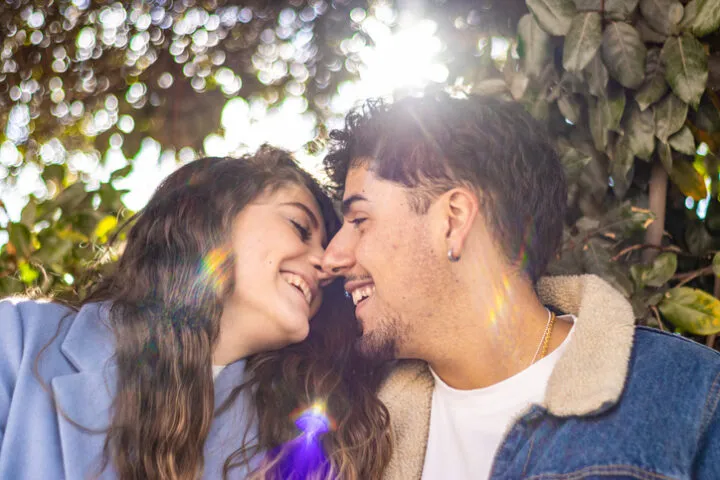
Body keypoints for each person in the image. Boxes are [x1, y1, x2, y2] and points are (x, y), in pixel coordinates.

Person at [321, 94, 720, 479]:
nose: (332, 256)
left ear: (454, 220)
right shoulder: (363, 432)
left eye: (359, 220)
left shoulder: (693, 398)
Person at [0, 146, 391, 479]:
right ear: (211, 217)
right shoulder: (17, 340)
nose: (326, 263)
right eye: (299, 227)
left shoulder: (305, 440)